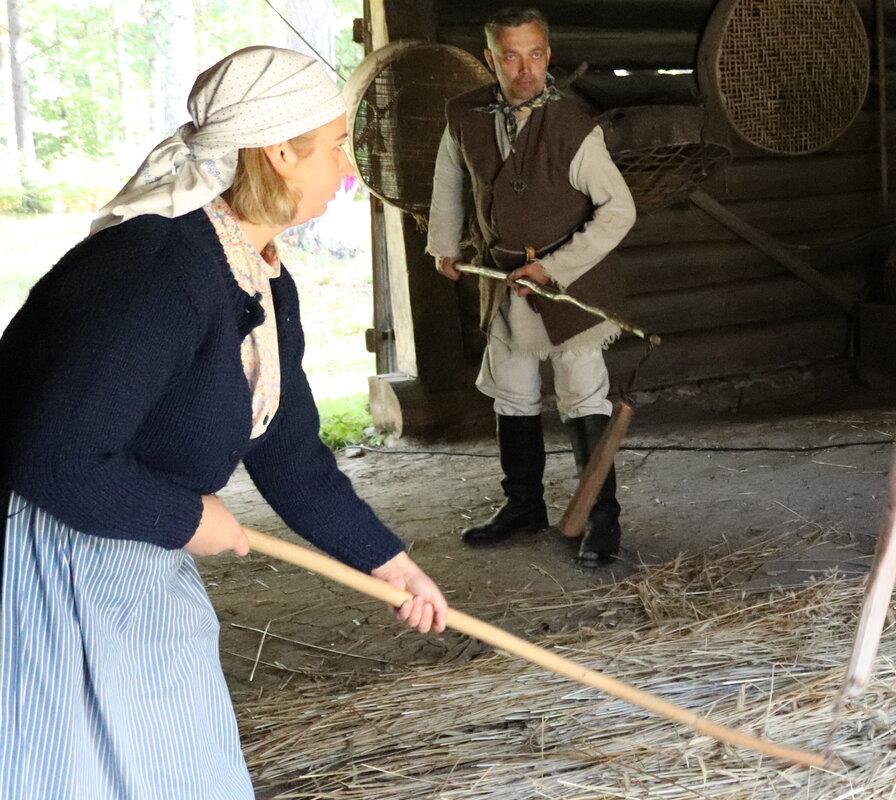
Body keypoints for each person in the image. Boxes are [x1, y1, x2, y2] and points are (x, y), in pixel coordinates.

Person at [0, 46, 449, 797]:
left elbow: (288, 450)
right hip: (57, 559)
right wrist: (188, 517)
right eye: (336, 146)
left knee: (181, 763)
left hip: (135, 548)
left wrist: (387, 561)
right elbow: (52, 461)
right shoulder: (156, 269)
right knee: (78, 770)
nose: (347, 169)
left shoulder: (258, 269)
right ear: (278, 152)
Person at [427, 7, 637, 567]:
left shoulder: (572, 127)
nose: (525, 69)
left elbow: (620, 211)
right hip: (501, 279)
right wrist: (445, 243)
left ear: (549, 54)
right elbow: (451, 177)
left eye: (536, 54)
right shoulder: (465, 115)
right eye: (511, 56)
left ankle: (601, 518)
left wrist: (555, 268)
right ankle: (523, 507)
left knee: (581, 395)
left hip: (572, 289)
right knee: (513, 393)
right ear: (491, 59)